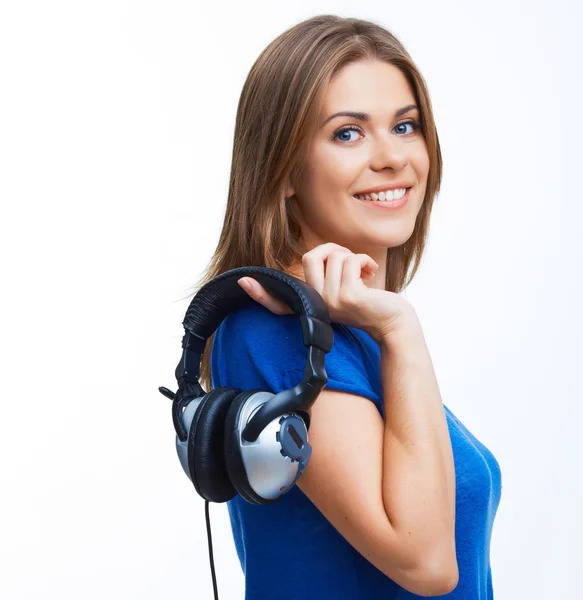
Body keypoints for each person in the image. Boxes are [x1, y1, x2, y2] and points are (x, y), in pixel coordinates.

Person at [192, 14, 502, 599]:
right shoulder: (275, 332)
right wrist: (401, 326)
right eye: (347, 133)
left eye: (405, 126)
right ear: (284, 169)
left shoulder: (354, 334)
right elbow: (426, 563)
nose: (391, 157)